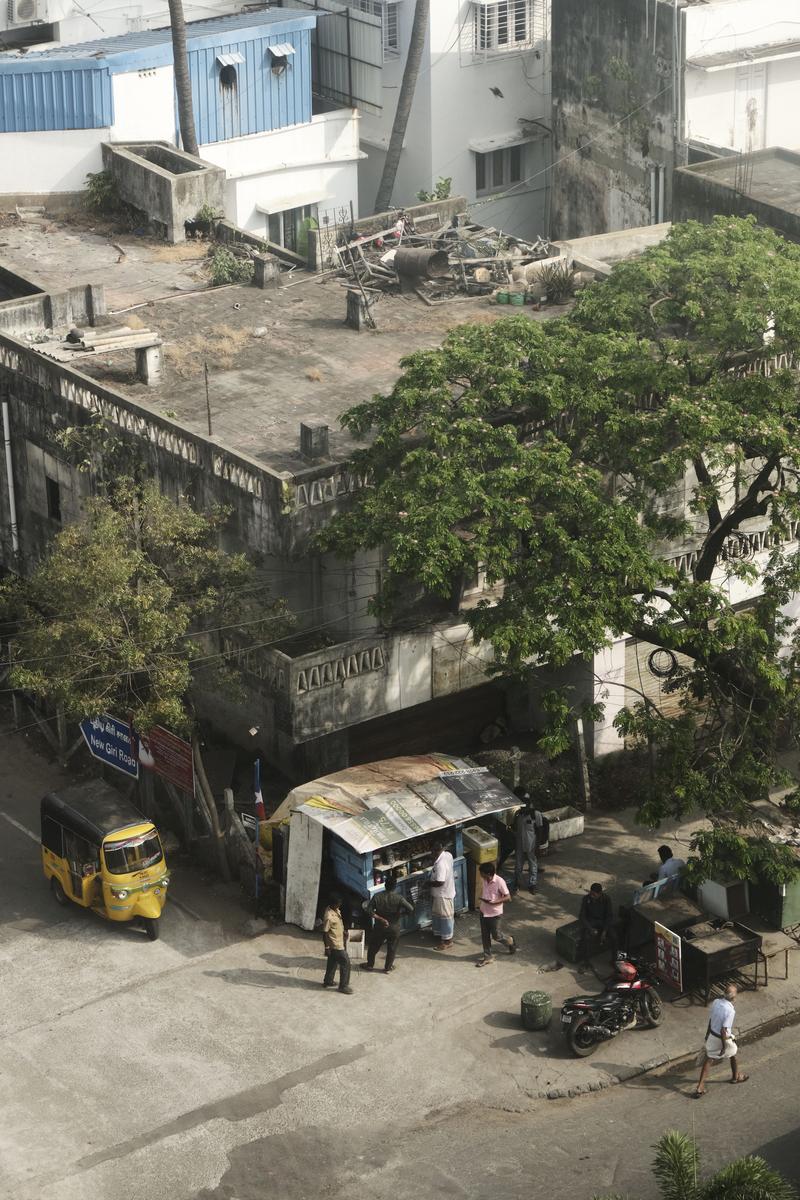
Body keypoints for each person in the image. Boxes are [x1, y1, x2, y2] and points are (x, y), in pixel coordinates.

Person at [693, 983, 748, 1097]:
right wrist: (724, 1046)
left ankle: (700, 1087)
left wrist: (708, 1034)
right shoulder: (730, 1011)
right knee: (733, 1054)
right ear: (733, 997)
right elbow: (724, 1030)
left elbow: (711, 1019)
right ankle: (735, 1077)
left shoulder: (716, 1002)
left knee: (709, 1059)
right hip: (722, 1038)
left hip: (713, 1035)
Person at [361, 874, 414, 973]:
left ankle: (369, 965)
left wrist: (380, 918)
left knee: (373, 946)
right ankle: (388, 967)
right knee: (392, 948)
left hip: (380, 927)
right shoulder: (399, 898)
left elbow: (369, 910)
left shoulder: (377, 897)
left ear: (385, 885)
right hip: (394, 927)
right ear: (395, 886)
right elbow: (411, 909)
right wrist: (401, 914)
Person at [477, 861, 516, 967]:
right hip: (484, 911)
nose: (480, 875)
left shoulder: (500, 881)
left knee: (496, 936)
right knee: (485, 936)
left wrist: (495, 902)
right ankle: (488, 957)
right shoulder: (485, 880)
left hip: (495, 914)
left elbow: (508, 897)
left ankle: (509, 940)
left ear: (488, 874)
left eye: (482, 873)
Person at [577, 882, 617, 969]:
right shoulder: (586, 899)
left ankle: (614, 960)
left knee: (614, 937)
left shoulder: (606, 899)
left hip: (603, 922)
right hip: (591, 922)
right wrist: (590, 929)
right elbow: (582, 916)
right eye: (591, 893)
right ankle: (586, 962)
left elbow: (609, 916)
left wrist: (605, 931)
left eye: (594, 895)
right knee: (585, 938)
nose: (592, 896)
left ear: (600, 894)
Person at [322, 892, 354, 994]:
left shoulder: (335, 910)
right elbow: (325, 933)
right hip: (335, 944)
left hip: (338, 940)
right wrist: (327, 947)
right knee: (345, 963)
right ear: (333, 904)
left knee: (333, 961)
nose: (340, 905)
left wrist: (343, 932)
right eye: (338, 903)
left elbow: (337, 925)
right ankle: (343, 986)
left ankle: (328, 981)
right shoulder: (329, 916)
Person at [429, 839, 456, 950]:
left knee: (445, 918)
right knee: (439, 916)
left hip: (443, 894)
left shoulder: (440, 864)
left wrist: (428, 883)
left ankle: (447, 941)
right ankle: (441, 935)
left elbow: (440, 882)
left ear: (435, 851)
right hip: (444, 892)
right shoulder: (448, 855)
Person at [514, 796, 542, 894]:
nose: (523, 808)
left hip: (531, 844)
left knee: (532, 864)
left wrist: (538, 845)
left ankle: (532, 884)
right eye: (521, 807)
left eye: (525, 806)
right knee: (518, 865)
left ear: (529, 805)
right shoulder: (518, 815)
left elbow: (539, 830)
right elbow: (515, 828)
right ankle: (517, 882)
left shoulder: (536, 815)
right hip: (519, 844)